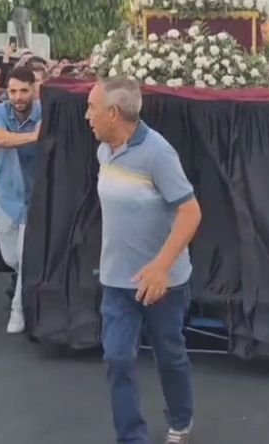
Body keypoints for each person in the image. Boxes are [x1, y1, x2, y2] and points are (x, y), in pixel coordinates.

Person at [86, 77, 202, 444]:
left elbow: (190, 212)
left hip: (163, 284)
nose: (86, 115)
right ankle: (131, 438)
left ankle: (181, 420)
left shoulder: (158, 153)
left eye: (91, 108)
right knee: (118, 359)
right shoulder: (104, 150)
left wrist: (161, 267)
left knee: (169, 356)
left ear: (113, 113)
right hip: (117, 282)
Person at [0, 67, 41, 334]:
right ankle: (25, 283)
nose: (18, 96)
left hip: (34, 198)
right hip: (5, 192)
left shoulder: (45, 112)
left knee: (24, 254)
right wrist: (35, 136)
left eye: (23, 90)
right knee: (12, 259)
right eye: (13, 91)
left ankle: (18, 311)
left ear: (34, 88)